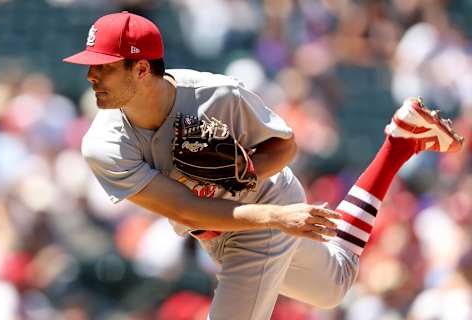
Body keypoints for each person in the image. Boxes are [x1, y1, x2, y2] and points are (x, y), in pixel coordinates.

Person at [63, 11, 463, 320]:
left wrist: (247, 176)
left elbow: (285, 147)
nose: (92, 75)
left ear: (142, 68)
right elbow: (187, 208)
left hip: (266, 203)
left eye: (104, 66)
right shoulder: (103, 145)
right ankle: (399, 142)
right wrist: (271, 214)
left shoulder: (217, 95)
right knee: (333, 287)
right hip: (225, 224)